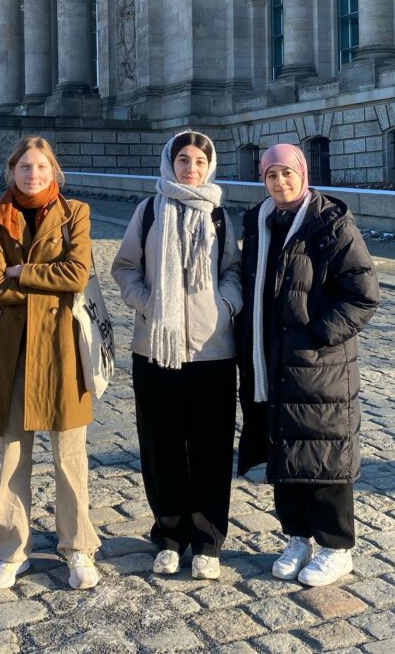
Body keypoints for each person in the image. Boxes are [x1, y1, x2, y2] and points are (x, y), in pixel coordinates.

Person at [0, 136, 101, 591]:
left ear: (53, 171)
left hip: (62, 348)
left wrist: (21, 273)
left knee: (70, 454)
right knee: (13, 454)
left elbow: (76, 273)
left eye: (40, 166)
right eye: (24, 167)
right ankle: (9, 550)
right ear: (12, 171)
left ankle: (77, 546)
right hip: (12, 350)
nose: (32, 174)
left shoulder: (75, 212)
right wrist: (42, 287)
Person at [236, 143, 379, 587]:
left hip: (320, 364)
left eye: (287, 172)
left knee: (324, 452)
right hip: (271, 360)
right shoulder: (259, 223)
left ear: (303, 173)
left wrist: (317, 336)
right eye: (271, 174)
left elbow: (363, 295)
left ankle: (337, 547)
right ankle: (297, 537)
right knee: (285, 450)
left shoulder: (331, 223)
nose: (280, 182)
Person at [112, 130, 242, 581]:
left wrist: (223, 308)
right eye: (184, 160)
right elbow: (124, 267)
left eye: (199, 162)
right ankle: (169, 536)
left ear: (210, 166)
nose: (191, 168)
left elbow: (233, 271)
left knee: (211, 449)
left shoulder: (219, 214)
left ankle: (207, 541)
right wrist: (149, 304)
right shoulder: (149, 210)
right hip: (156, 349)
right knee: (161, 447)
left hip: (212, 351)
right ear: (171, 162)